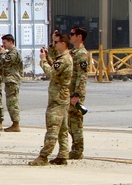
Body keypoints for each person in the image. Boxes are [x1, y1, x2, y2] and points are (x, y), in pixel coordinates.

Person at [29, 33, 73, 165]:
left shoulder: (64, 59)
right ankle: (63, 154)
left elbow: (51, 73)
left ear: (63, 43)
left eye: (56, 42)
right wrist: (48, 57)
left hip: (58, 97)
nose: (54, 45)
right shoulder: (62, 58)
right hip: (62, 96)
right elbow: (55, 68)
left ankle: (44, 156)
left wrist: (42, 60)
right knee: (63, 127)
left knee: (53, 126)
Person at [59, 26, 90, 158]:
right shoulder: (72, 53)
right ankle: (75, 148)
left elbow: (82, 76)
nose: (70, 36)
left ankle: (78, 150)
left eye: (72, 34)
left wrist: (77, 94)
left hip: (75, 94)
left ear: (79, 36)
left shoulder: (82, 54)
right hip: (68, 92)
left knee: (75, 123)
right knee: (69, 123)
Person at [0, 33, 23, 132]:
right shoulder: (10, 52)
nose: (4, 45)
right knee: (10, 102)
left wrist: (1, 52)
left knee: (13, 103)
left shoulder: (13, 53)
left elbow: (4, 61)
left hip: (13, 80)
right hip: (9, 80)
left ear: (11, 42)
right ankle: (14, 123)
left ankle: (16, 124)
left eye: (5, 43)